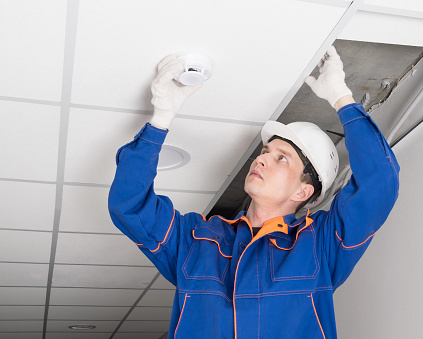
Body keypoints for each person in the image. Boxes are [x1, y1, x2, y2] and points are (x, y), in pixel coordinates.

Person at [108, 46, 400, 338]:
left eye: (281, 157)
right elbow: (130, 206)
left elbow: (380, 182)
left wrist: (341, 96)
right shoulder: (197, 240)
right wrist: (159, 122)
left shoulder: (320, 245)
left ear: (303, 191)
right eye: (265, 151)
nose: (261, 159)